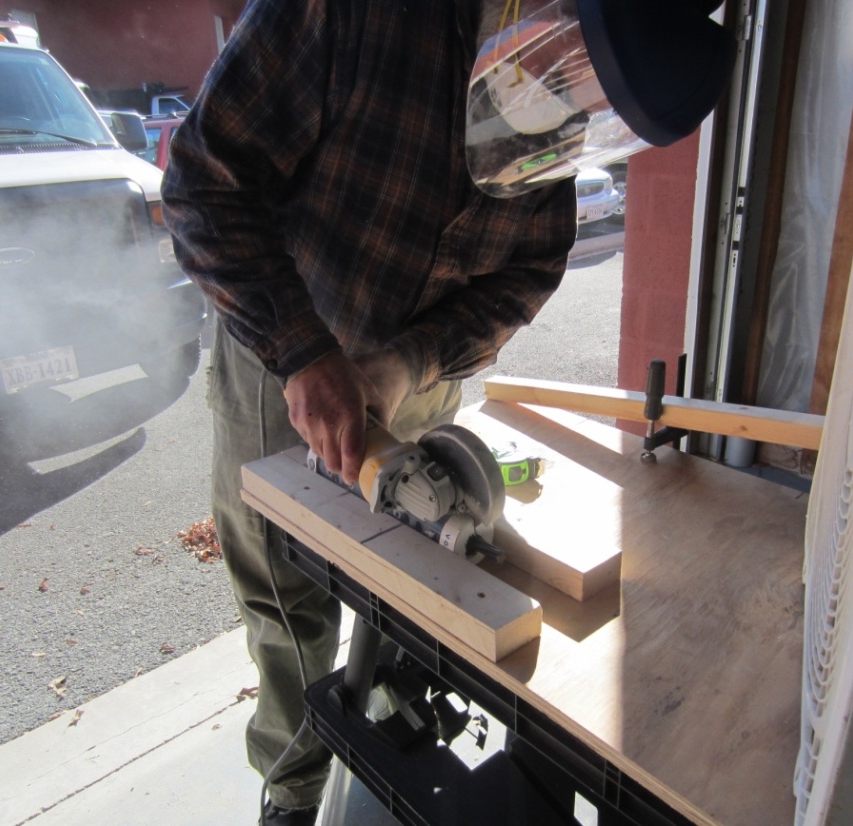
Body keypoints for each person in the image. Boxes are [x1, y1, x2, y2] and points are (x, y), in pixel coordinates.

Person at [163, 1, 732, 823]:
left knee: (416, 592)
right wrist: (303, 350)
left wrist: (408, 363)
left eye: (588, 108)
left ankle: (384, 753)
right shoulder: (355, 15)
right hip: (284, 353)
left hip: (414, 374)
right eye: (565, 74)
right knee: (293, 609)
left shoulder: (567, 111)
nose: (564, 104)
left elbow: (525, 276)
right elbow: (203, 184)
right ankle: (291, 792)